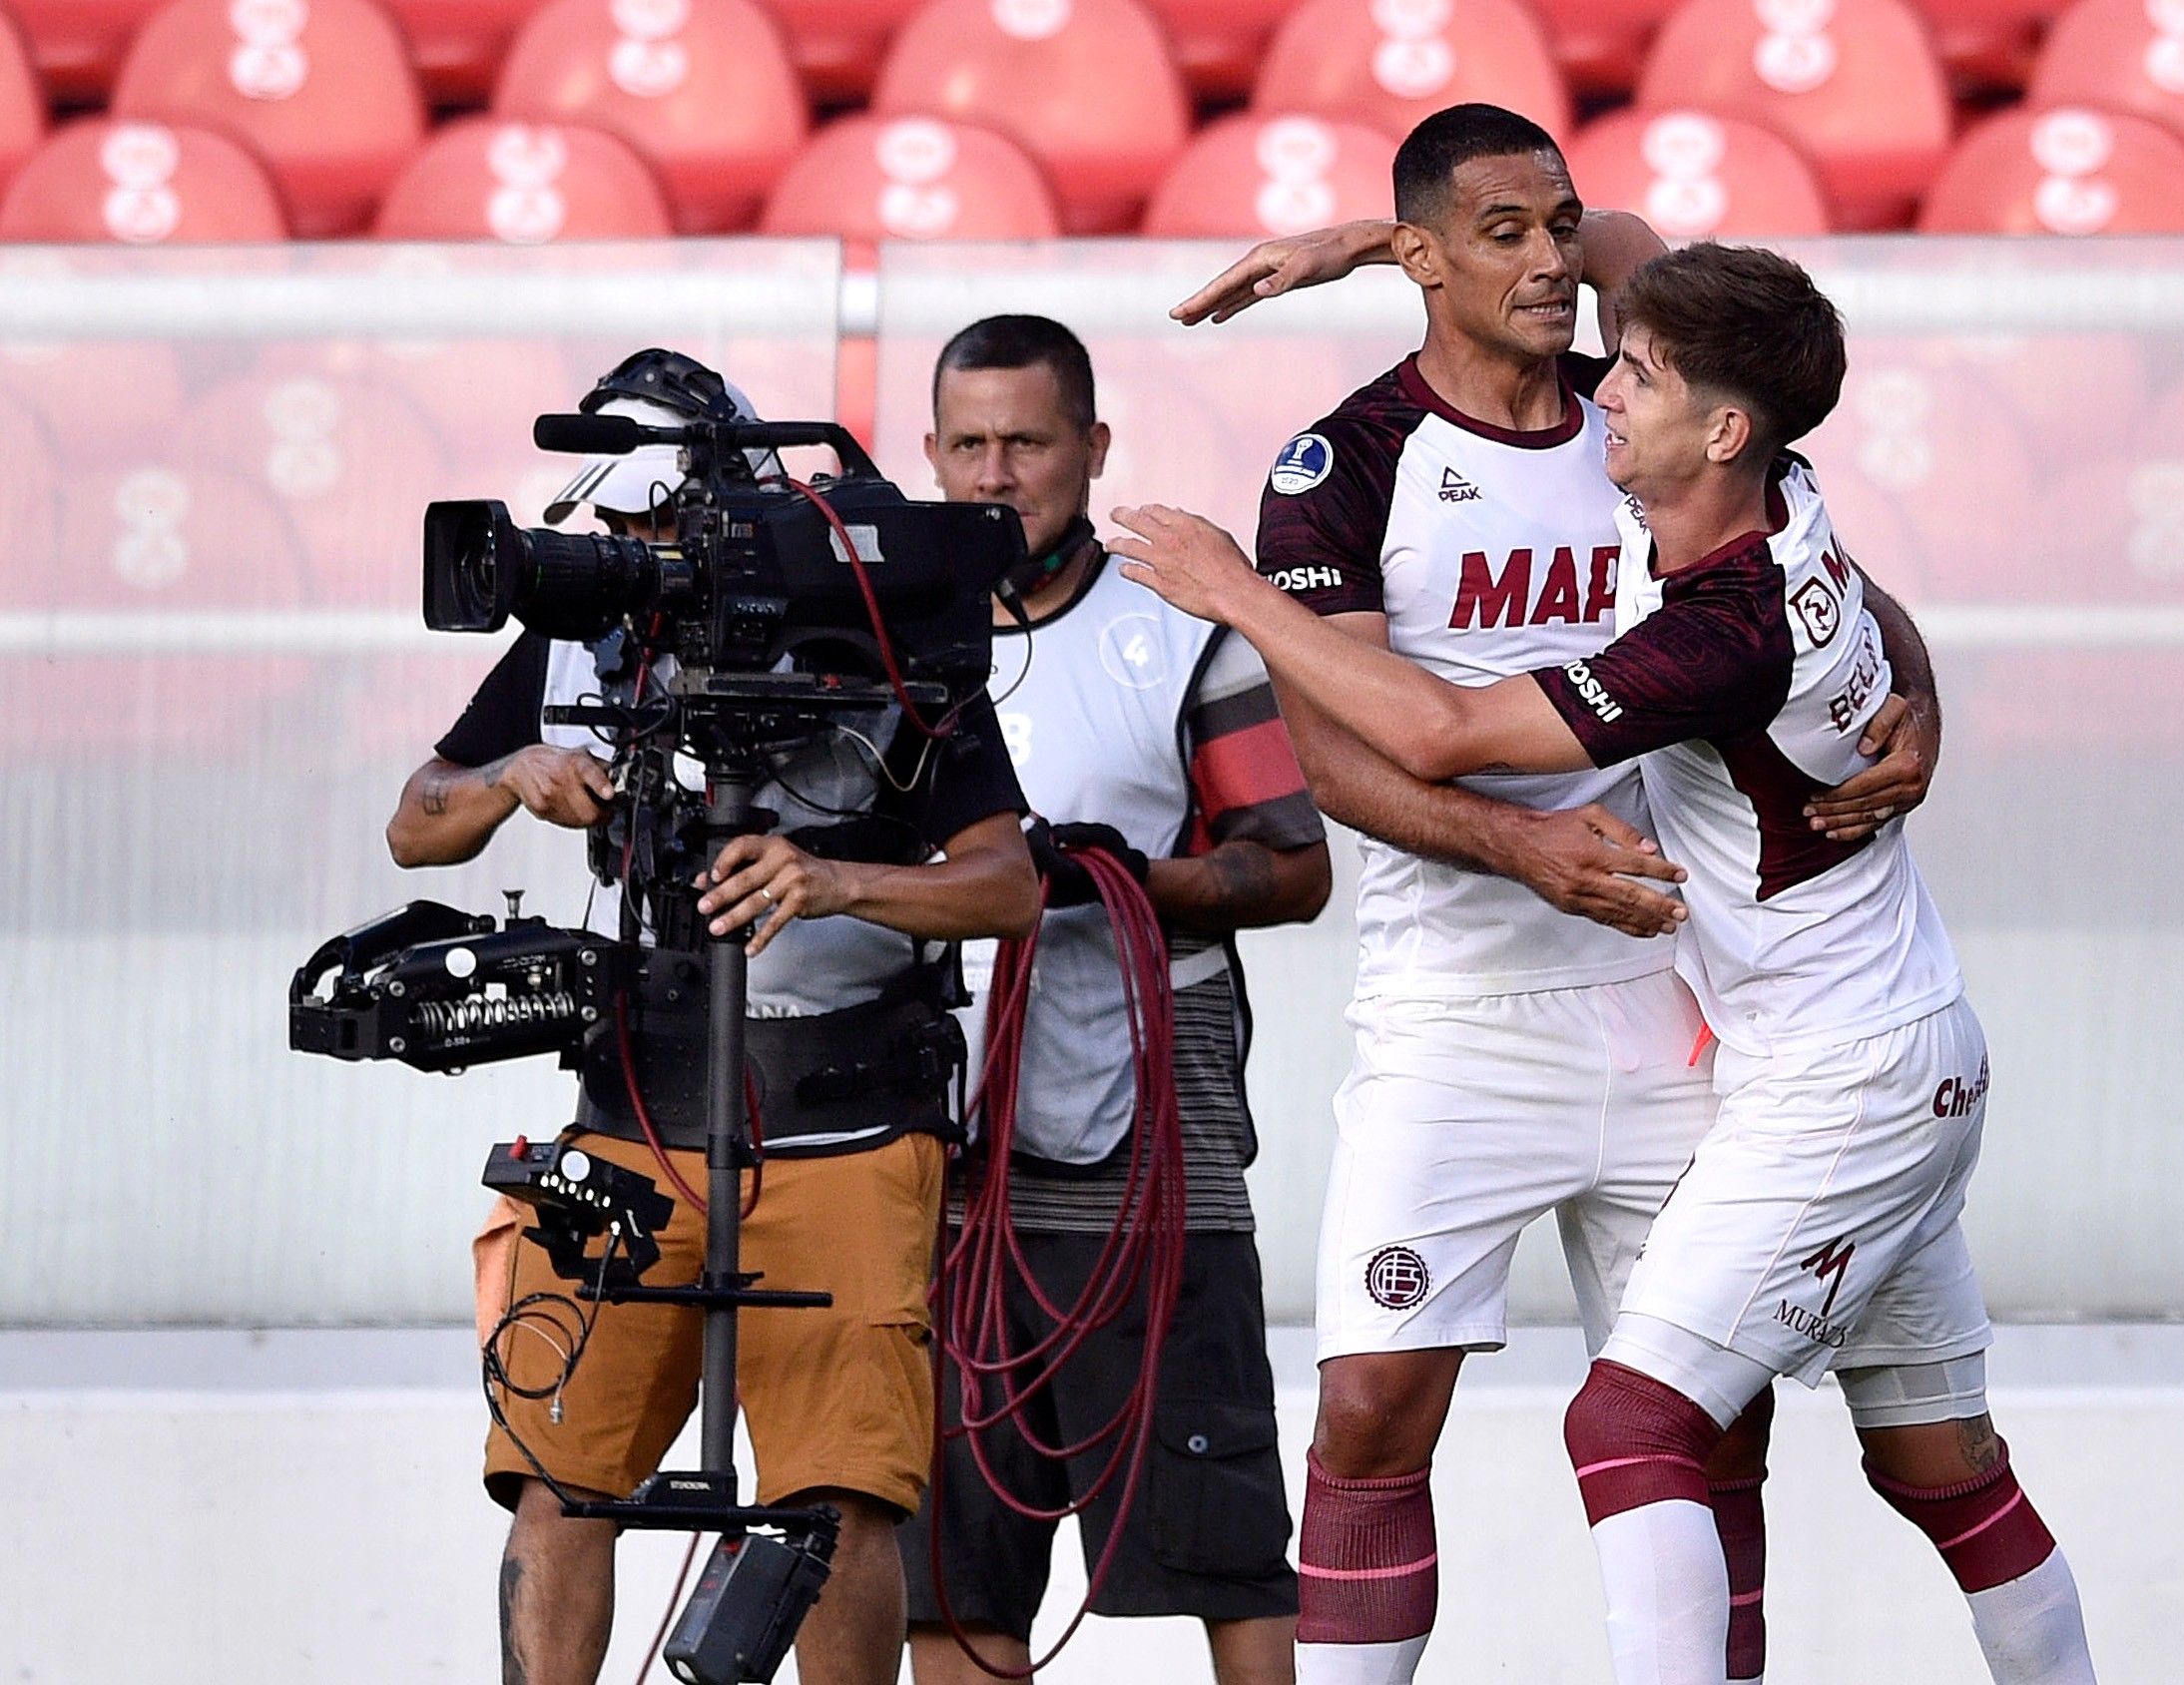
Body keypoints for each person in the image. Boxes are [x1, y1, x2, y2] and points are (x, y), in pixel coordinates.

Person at [1111, 243, 2098, 1685]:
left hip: (1840, 1085)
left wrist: (1236, 592)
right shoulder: (1781, 506)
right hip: (1893, 1045)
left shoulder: (1716, 629)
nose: (1601, 387)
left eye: (1636, 376)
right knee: (1946, 1473)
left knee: (1630, 1425)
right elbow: (1632, 249)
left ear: (1723, 428)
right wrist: (1384, 244)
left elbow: (1442, 737)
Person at [387, 349, 1042, 1685]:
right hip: (637, 1115)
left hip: (851, 1121)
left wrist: (835, 879)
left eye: (660, 528)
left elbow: (1011, 884)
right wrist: (516, 772)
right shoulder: (580, 627)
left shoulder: (884, 620)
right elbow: (415, 826)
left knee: (837, 1496)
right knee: (559, 1476)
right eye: (616, 532)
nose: (636, 558)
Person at [899, 314, 1330, 1685]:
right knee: (952, 1560)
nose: (995, 474)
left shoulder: (1183, 624)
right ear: (930, 454)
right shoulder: (883, 637)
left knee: (1226, 1535)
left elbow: (1293, 868)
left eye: (1027, 442)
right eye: (968, 444)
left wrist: (1118, 881)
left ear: (1091, 450)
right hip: (940, 1160)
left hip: (1157, 1151)